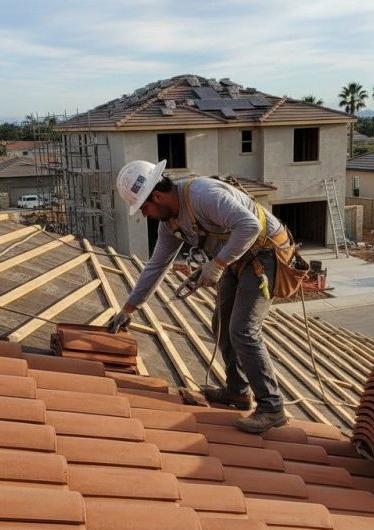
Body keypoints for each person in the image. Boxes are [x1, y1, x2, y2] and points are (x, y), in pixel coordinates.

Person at [107, 159, 289, 434]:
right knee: (221, 325)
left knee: (243, 330)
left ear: (156, 195)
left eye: (145, 208)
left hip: (266, 253)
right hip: (237, 257)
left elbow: (249, 226)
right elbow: (156, 266)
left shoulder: (203, 195)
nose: (145, 215)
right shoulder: (169, 225)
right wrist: (129, 309)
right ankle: (238, 392)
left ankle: (272, 407)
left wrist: (216, 265)